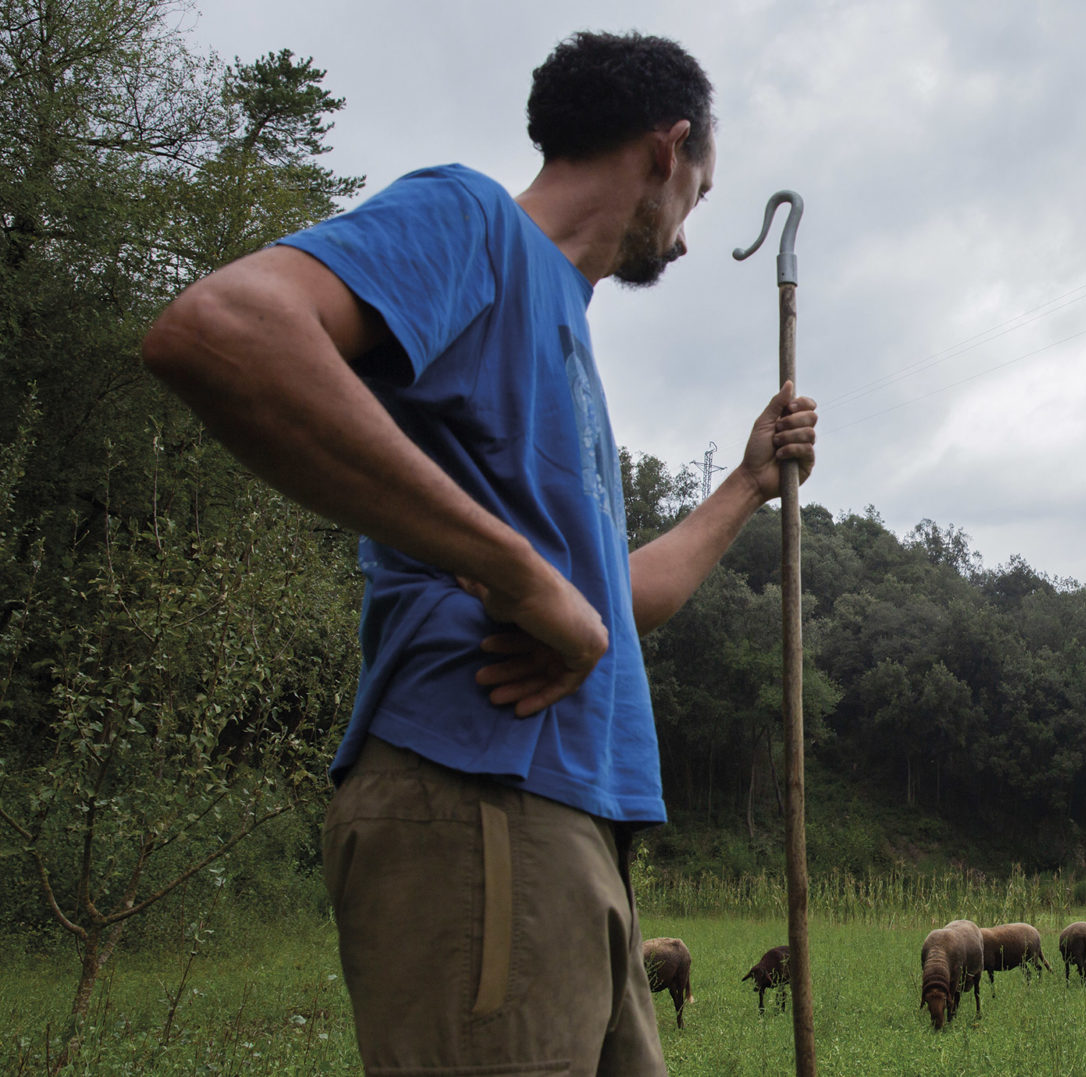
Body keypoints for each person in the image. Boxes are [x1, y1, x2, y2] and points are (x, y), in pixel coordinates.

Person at [140, 32, 813, 1075]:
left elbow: (605, 610)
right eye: (701, 190)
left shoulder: (566, 334)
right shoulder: (474, 223)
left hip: (575, 827)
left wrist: (745, 485)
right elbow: (222, 328)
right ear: (664, 150)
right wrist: (519, 575)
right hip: (479, 799)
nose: (687, 232)